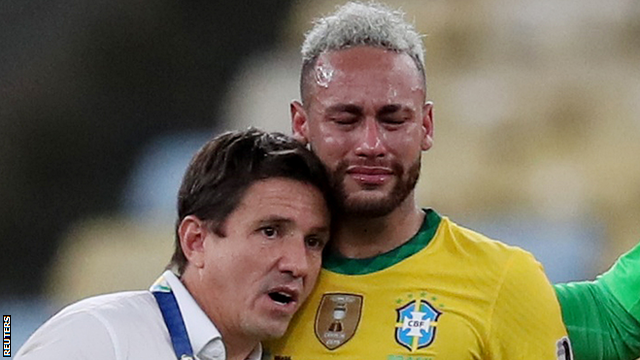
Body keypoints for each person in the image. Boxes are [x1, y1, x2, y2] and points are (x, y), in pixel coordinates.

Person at [264, 2, 640, 360]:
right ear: (301, 124)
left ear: (426, 126)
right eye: (345, 119)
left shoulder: (504, 283)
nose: (371, 145)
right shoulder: (252, 282)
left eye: (393, 119)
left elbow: (614, 317)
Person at [16, 128, 335, 360]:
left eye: (313, 241)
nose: (298, 264)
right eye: (270, 232)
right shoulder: (99, 336)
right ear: (196, 241)